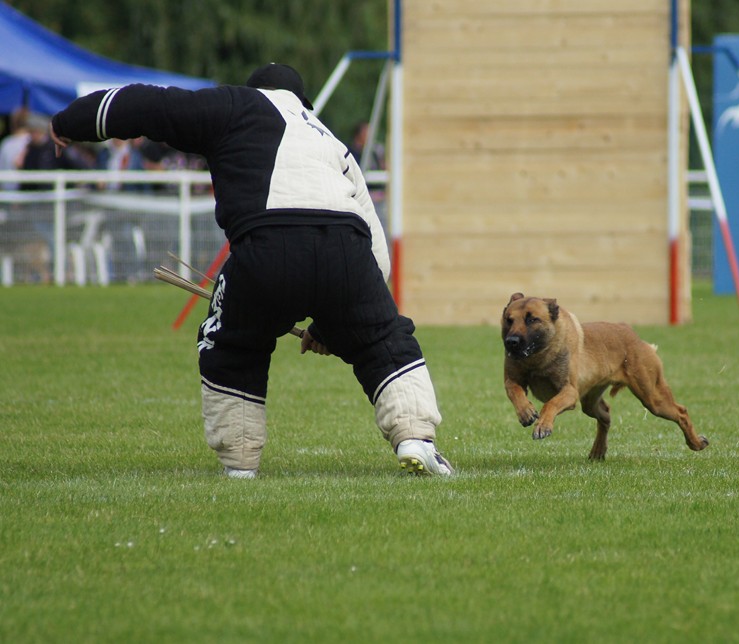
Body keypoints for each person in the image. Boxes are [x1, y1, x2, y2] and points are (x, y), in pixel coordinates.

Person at [50, 63, 453, 478]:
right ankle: (416, 440)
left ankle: (240, 464)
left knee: (231, 343)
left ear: (253, 89)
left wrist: (71, 122)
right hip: (347, 248)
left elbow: (148, 105)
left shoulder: (231, 105)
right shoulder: (330, 139)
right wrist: (336, 326)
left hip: (267, 247)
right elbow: (377, 253)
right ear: (302, 101)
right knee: (382, 338)